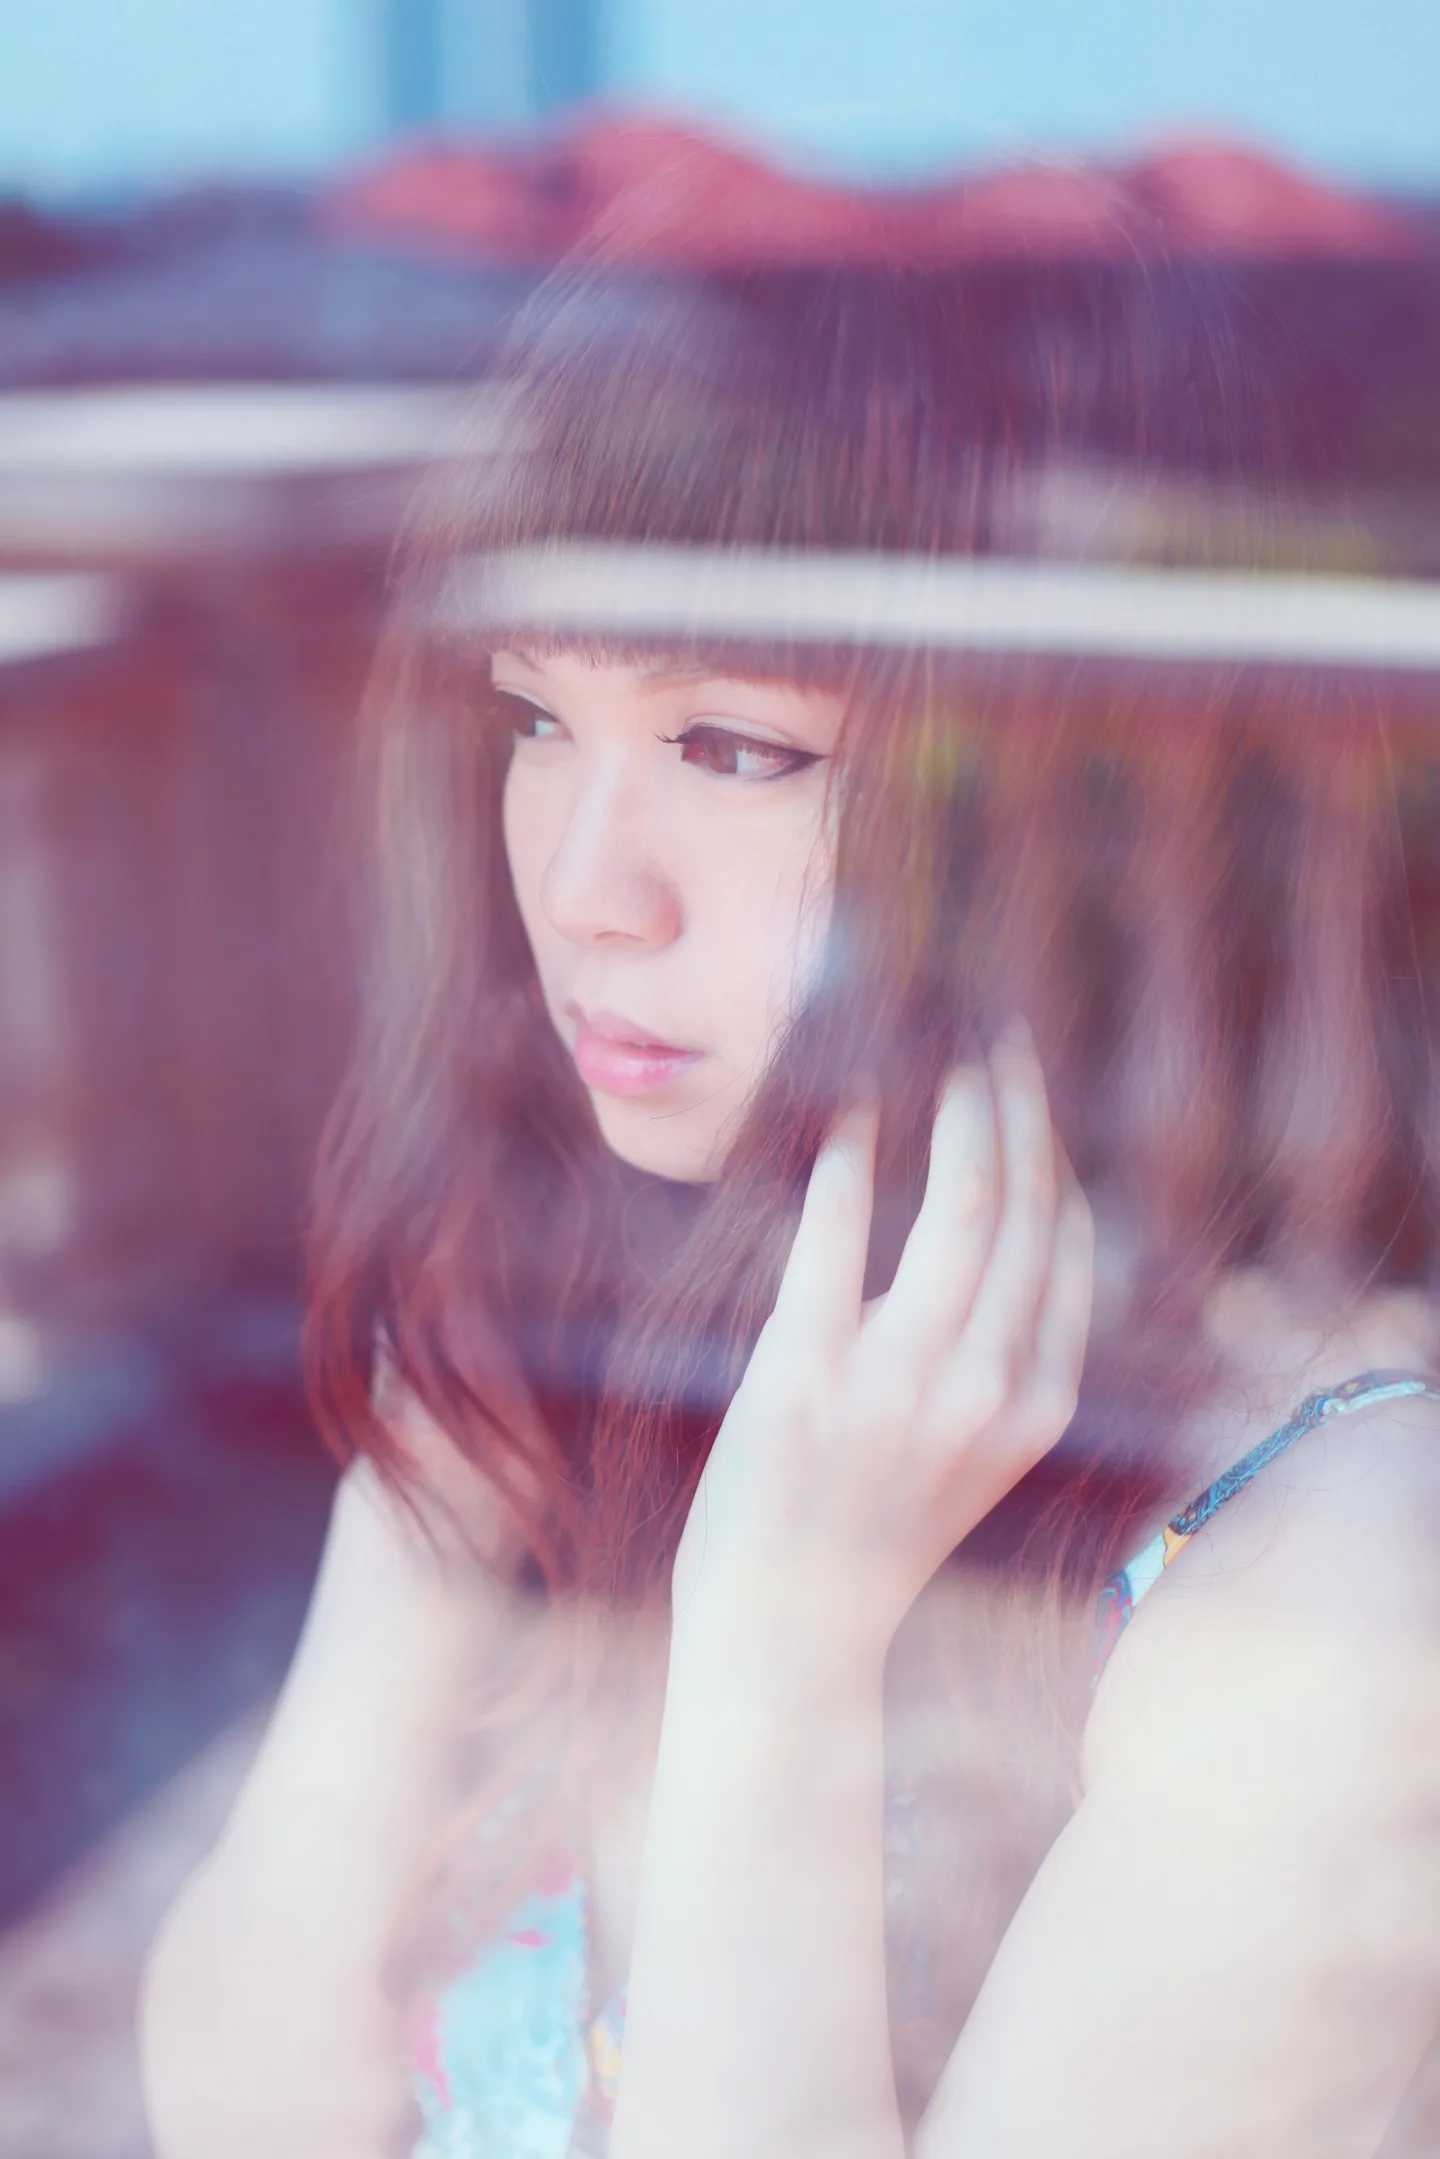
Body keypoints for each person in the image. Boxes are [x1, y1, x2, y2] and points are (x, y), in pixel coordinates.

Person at [140, 259, 1440, 2159]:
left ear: (1015, 806)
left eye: (735, 748)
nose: (587, 888)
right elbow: (243, 2109)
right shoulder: (602, 1300)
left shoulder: (1337, 1590)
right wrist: (425, 1495)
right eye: (535, 719)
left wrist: (777, 1652)